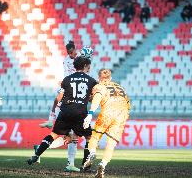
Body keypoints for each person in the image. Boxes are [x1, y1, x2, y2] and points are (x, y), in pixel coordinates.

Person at [27, 57, 98, 171]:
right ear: (85, 65)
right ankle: (86, 166)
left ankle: (37, 154)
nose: (89, 67)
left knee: (54, 134)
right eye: (89, 65)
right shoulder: (91, 80)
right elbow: (93, 98)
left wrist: (60, 108)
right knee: (89, 138)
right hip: (80, 113)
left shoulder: (66, 79)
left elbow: (59, 98)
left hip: (66, 111)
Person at [39, 41, 82, 172]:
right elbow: (69, 75)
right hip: (69, 86)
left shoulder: (79, 56)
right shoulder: (67, 61)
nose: (71, 54)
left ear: (74, 49)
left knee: (67, 135)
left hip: (76, 90)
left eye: (72, 52)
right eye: (69, 53)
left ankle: (41, 147)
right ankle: (51, 119)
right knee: (69, 135)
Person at [82, 69, 130, 178]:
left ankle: (92, 153)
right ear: (111, 78)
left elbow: (97, 98)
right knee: (111, 143)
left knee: (94, 137)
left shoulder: (99, 86)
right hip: (121, 115)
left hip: (107, 114)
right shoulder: (120, 87)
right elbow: (127, 104)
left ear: (99, 78)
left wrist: (90, 114)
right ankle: (103, 164)